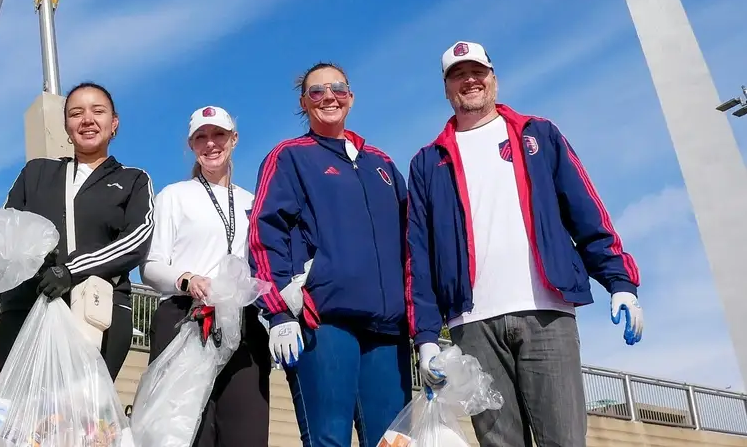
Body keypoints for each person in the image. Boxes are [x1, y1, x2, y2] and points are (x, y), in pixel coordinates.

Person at [406, 41, 643, 447]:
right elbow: (419, 256)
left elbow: (585, 211)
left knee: (564, 439)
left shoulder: (539, 135)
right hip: (472, 324)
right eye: (458, 75)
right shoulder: (428, 162)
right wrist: (426, 337)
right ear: (446, 89)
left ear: (493, 78)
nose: (470, 80)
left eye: (477, 71)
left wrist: (620, 282)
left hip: (546, 312)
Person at [248, 63, 411, 447]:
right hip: (325, 321)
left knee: (394, 443)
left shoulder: (383, 164)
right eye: (316, 92)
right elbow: (263, 232)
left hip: (387, 329)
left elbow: (410, 242)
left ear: (351, 97)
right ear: (304, 104)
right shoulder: (289, 156)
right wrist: (277, 309)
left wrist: (423, 326)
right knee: (329, 439)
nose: (328, 97)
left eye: (337, 88)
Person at [0, 81, 155, 380]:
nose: (87, 120)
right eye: (76, 113)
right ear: (67, 125)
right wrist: (32, 257)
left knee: (84, 414)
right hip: (28, 305)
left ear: (114, 123)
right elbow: (7, 228)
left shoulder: (133, 180)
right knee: (24, 410)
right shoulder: (36, 173)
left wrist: (71, 270)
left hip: (96, 309)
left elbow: (137, 240)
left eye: (98, 111)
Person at [140, 105, 270, 447]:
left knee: (247, 433)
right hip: (186, 317)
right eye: (201, 137)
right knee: (184, 432)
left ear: (234, 139)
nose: (210, 144)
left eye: (218, 135)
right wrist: (186, 279)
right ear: (191, 145)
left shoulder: (253, 203)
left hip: (241, 323)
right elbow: (151, 266)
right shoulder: (175, 196)